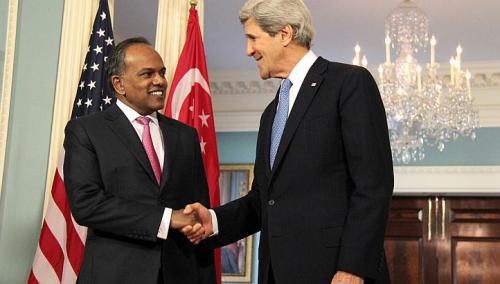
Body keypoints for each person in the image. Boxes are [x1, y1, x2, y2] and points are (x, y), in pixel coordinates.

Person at [183, 0, 394, 283]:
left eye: (253, 38)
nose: (248, 50)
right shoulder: (271, 114)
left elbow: (373, 185)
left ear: (284, 34)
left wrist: (353, 268)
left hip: (336, 272)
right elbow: (263, 200)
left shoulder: (349, 83)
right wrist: (214, 220)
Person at [64, 37, 215, 284]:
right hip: (115, 274)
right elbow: (87, 204)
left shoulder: (185, 135)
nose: (160, 81)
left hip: (180, 273)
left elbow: (198, 208)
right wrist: (166, 218)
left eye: (162, 73)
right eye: (147, 74)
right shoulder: (86, 131)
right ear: (119, 84)